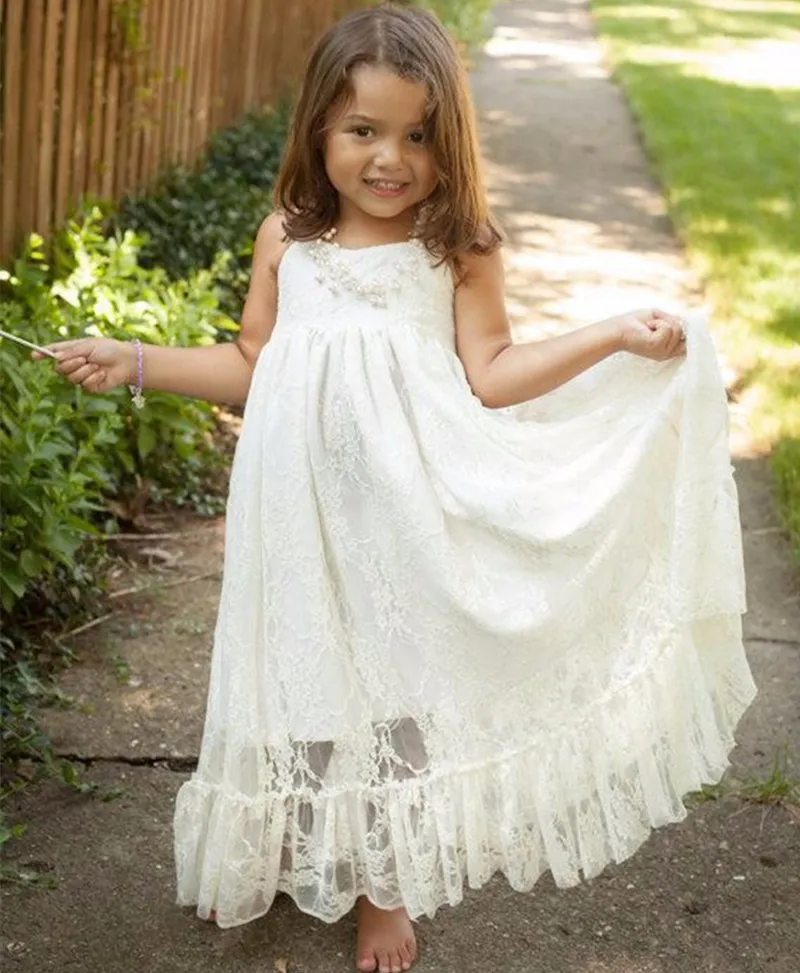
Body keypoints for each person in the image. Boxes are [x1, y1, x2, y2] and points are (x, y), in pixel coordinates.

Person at [39, 4, 756, 971]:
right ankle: (278, 842)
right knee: (294, 667)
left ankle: (384, 882)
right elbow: (253, 362)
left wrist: (613, 333)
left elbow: (493, 371)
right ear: (320, 131)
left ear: (448, 136)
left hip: (405, 514)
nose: (391, 159)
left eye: (417, 134)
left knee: (392, 697)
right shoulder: (287, 243)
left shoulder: (455, 246)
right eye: (363, 131)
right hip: (292, 512)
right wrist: (133, 358)